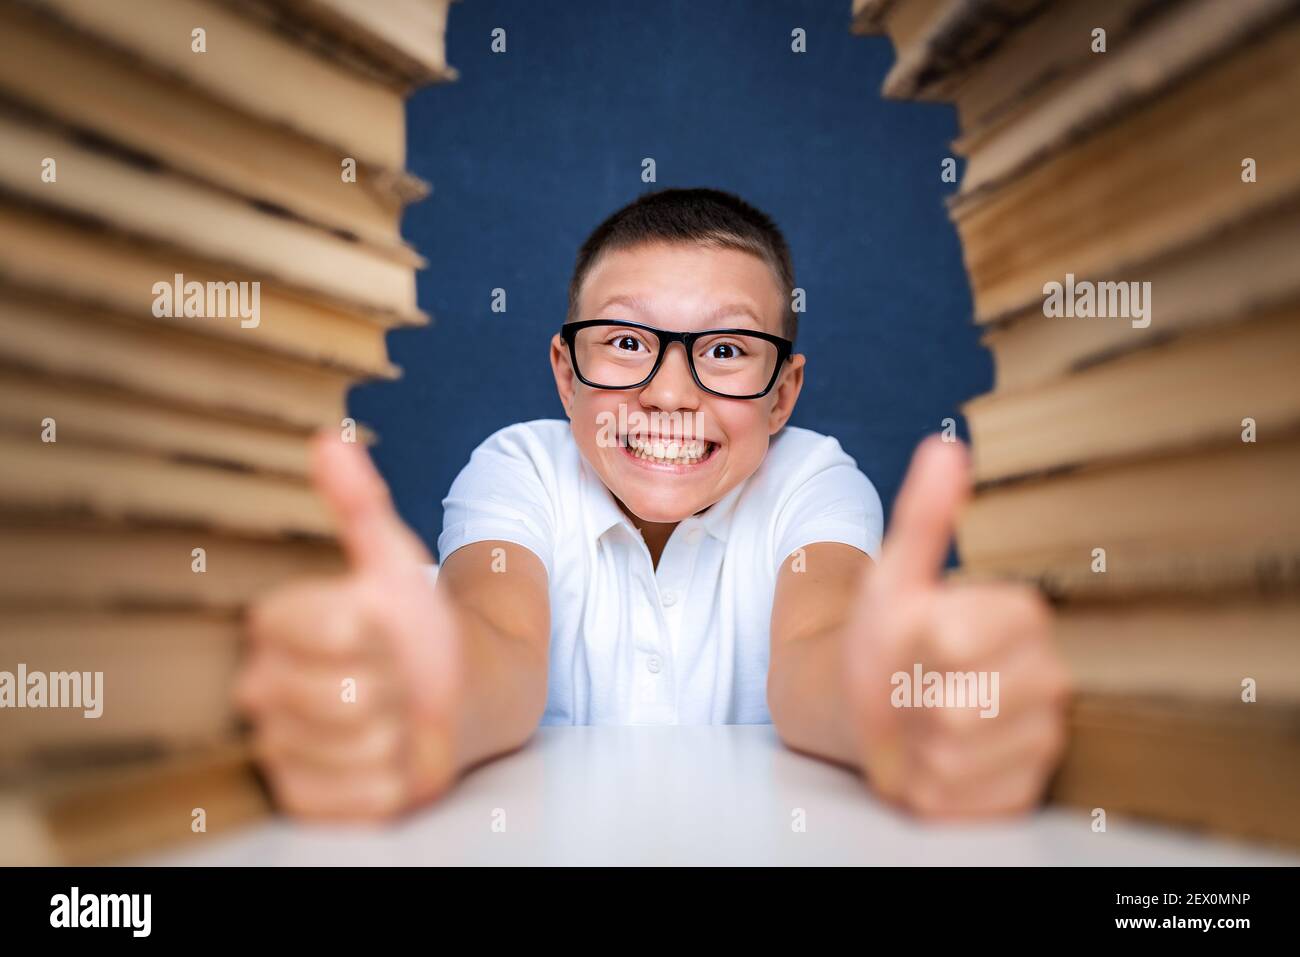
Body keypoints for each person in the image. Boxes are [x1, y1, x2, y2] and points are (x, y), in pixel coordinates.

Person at [235, 188, 1069, 820]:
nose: (669, 393)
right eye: (628, 342)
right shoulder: (518, 465)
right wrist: (433, 694)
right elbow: (502, 641)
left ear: (783, 395)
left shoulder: (814, 477)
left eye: (729, 349)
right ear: (565, 373)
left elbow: (819, 642)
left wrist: (884, 695)